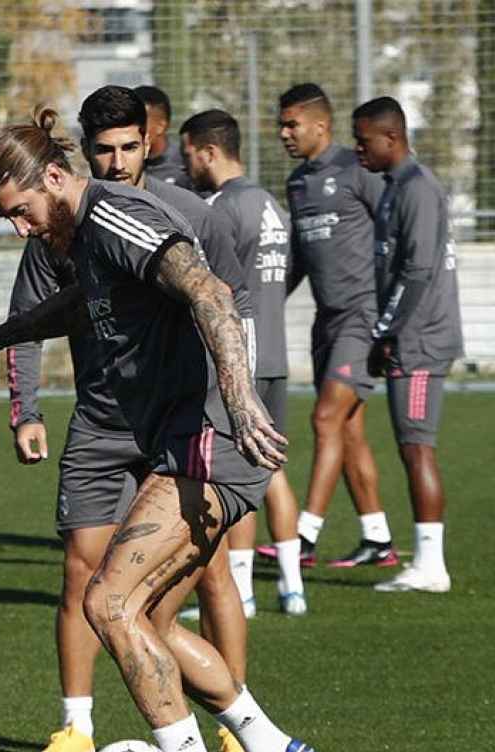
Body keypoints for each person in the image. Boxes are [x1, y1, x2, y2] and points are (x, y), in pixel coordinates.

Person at [0, 109, 320, 752]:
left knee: (107, 601)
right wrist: (0, 337)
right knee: (147, 622)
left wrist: (242, 399)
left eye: (21, 212)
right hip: (187, 443)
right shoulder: (84, 236)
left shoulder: (115, 216)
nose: (20, 230)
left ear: (53, 178)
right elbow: (82, 308)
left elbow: (212, 294)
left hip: (212, 443)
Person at [0, 87, 255, 752]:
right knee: (89, 579)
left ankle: (228, 743)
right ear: (82, 155)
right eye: (103, 149)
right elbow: (35, 317)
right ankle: (78, 726)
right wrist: (23, 405)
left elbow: (223, 300)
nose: (116, 162)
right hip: (105, 420)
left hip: (182, 423)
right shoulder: (60, 228)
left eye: (128, 147)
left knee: (198, 582)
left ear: (152, 142)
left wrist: (241, 402)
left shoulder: (179, 215)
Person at [181, 109, 307, 615]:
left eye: (189, 154)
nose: (186, 164)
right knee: (271, 468)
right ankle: (292, 587)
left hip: (242, 356)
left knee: (236, 471)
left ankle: (244, 592)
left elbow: (212, 287)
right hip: (275, 351)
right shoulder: (269, 203)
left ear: (208, 152)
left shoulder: (220, 208)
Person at [279, 83, 398, 567]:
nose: (283, 133)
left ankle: (303, 536)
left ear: (321, 125)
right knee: (347, 431)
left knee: (325, 418)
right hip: (326, 323)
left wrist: (393, 316)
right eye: (280, 124)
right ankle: (378, 538)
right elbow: (298, 262)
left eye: (292, 124)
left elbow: (395, 233)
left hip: (362, 318)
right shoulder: (298, 183)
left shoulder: (358, 170)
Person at [354, 97, 463, 592]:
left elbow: (418, 271)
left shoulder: (418, 190)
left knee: (417, 446)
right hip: (408, 337)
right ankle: (425, 561)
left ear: (391, 138)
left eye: (364, 140)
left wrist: (387, 331)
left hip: (420, 341)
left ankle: (431, 566)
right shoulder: (394, 188)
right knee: (408, 446)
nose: (358, 149)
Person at [134, 84, 196, 193]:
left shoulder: (186, 163)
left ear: (160, 126)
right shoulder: (122, 164)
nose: (131, 129)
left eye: (139, 123)